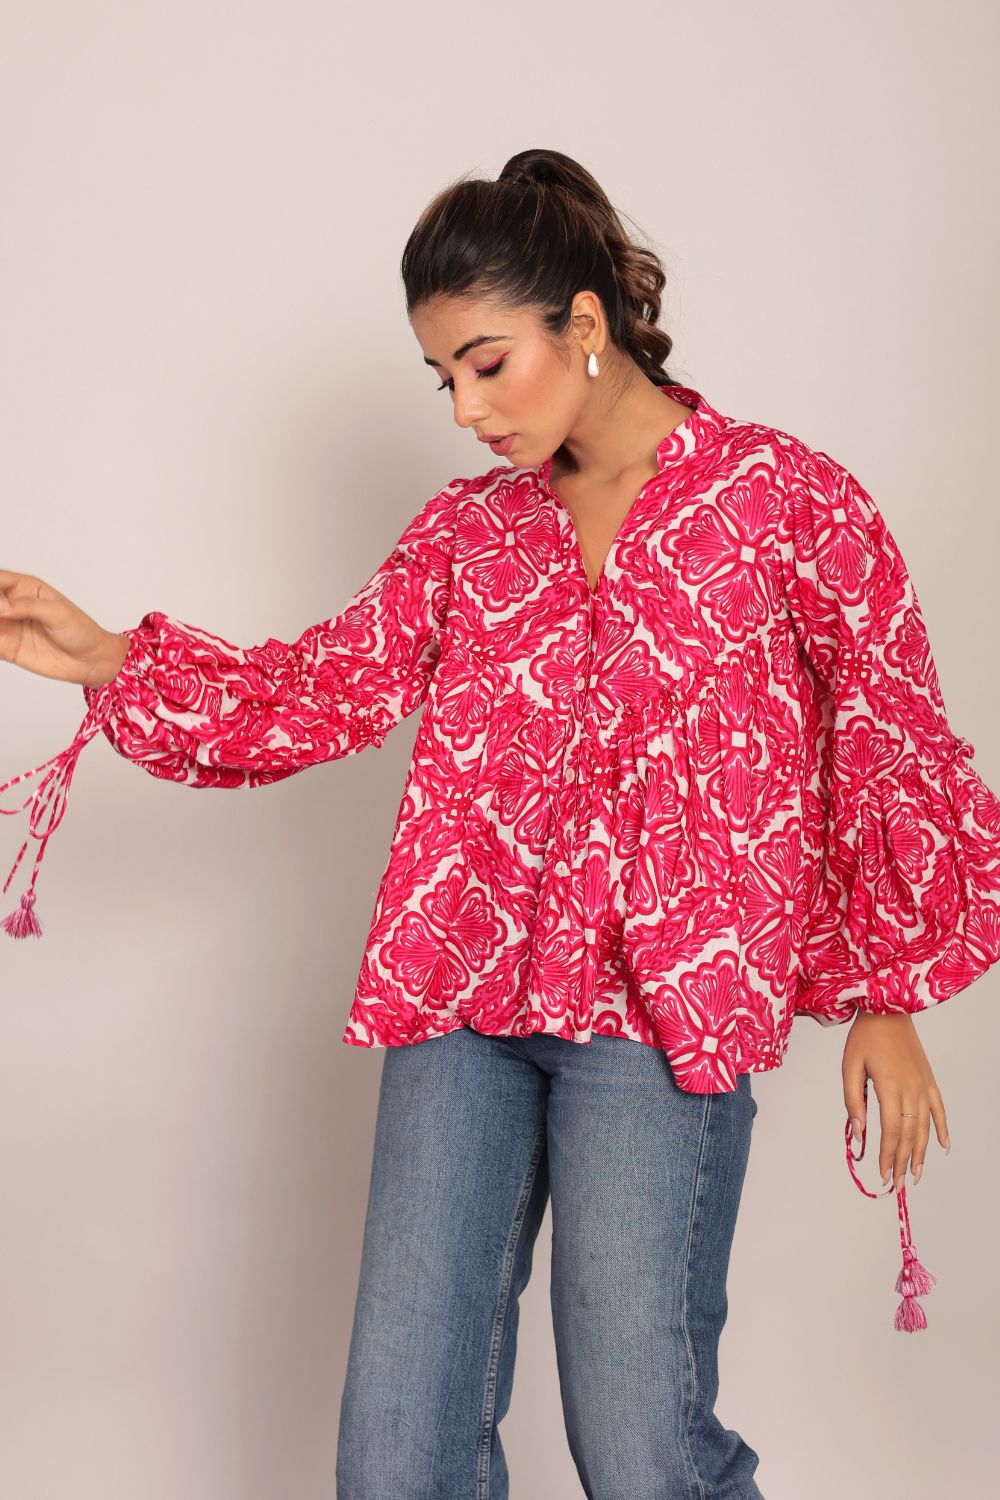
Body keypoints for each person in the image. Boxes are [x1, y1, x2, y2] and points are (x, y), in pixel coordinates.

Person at [1, 146, 997, 1499]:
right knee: (397, 1446)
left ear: (584, 322)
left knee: (643, 1447)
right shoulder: (465, 536)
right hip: (459, 994)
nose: (467, 410)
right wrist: (114, 656)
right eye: (443, 380)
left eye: (486, 364)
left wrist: (884, 991)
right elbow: (327, 687)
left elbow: (883, 730)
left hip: (662, 1014)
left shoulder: (787, 502)